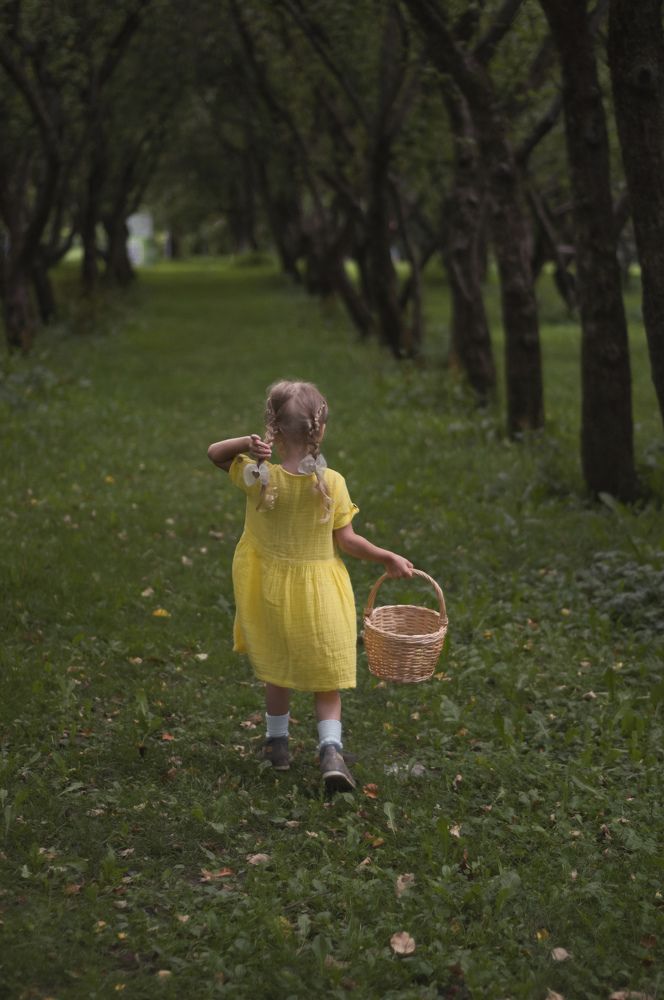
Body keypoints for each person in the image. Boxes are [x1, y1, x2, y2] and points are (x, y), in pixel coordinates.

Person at [207, 379, 413, 792]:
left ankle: (277, 746)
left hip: (271, 594)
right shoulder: (331, 482)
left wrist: (245, 442)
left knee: (277, 671)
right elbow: (348, 540)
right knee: (326, 678)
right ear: (319, 429)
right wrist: (386, 555)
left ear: (274, 428)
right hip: (321, 594)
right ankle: (331, 751)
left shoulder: (257, 473)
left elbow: (215, 453)